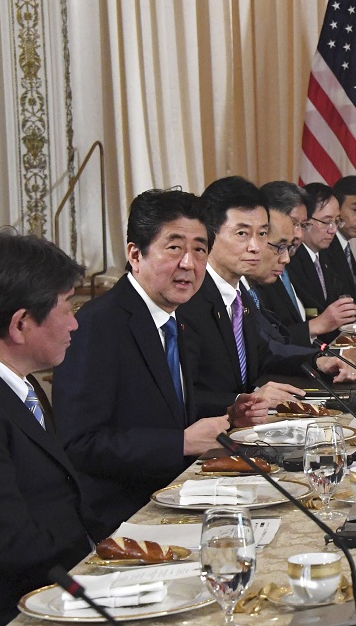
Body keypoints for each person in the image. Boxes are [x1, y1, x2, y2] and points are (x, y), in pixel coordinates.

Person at [54, 189, 266, 533]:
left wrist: (229, 413)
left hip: (180, 496)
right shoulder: (99, 324)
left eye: (199, 250)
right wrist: (180, 443)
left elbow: (162, 409)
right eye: (174, 248)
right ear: (135, 254)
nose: (189, 264)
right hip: (125, 517)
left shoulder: (175, 317)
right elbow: (79, 444)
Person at [177, 177, 351, 417]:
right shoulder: (188, 297)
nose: (255, 247)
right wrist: (242, 400)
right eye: (242, 233)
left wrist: (317, 361)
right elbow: (180, 394)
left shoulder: (239, 295)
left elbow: (264, 353)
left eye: (261, 234)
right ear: (210, 233)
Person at [0, 233, 97, 620]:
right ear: (21, 324)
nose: (75, 323)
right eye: (67, 307)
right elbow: (11, 542)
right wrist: (100, 564)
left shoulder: (26, 385)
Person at [253, 181, 356, 346]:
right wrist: (317, 325)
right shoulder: (259, 274)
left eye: (303, 225)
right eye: (294, 223)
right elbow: (268, 344)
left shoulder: (286, 262)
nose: (299, 234)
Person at [290, 182, 356, 320]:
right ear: (305, 220)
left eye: (336, 221)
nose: (333, 230)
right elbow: (315, 314)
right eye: (326, 222)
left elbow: (341, 298)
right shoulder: (291, 258)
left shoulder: (322, 256)